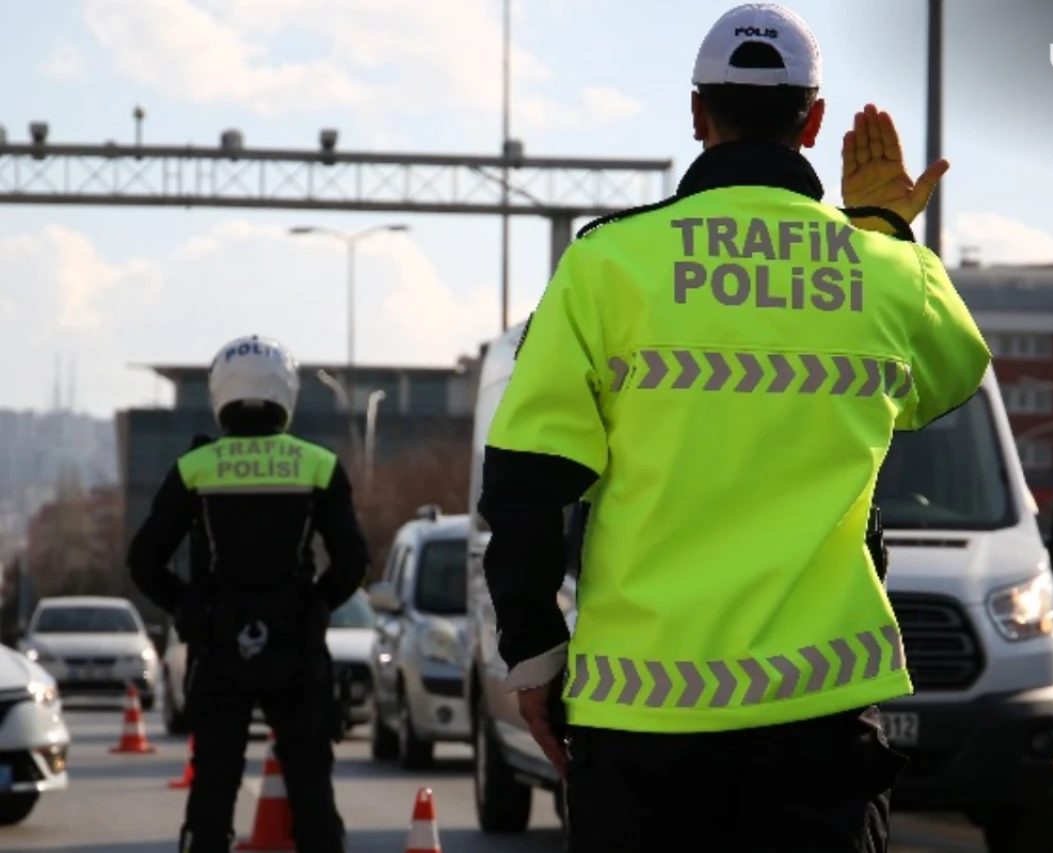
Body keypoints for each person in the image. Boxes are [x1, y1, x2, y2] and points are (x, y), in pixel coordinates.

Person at [477, 3, 991, 850]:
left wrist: (534, 655)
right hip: (819, 719)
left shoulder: (606, 263)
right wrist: (885, 229)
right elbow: (950, 378)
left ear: (696, 113)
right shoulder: (886, 272)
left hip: (637, 719)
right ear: (814, 122)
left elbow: (526, 482)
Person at [128, 334, 369, 853]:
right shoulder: (318, 464)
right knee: (312, 795)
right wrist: (316, 606)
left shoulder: (196, 468)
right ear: (288, 391)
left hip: (219, 648)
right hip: (295, 648)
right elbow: (352, 561)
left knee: (212, 795)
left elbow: (143, 562)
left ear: (220, 392)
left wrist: (190, 609)